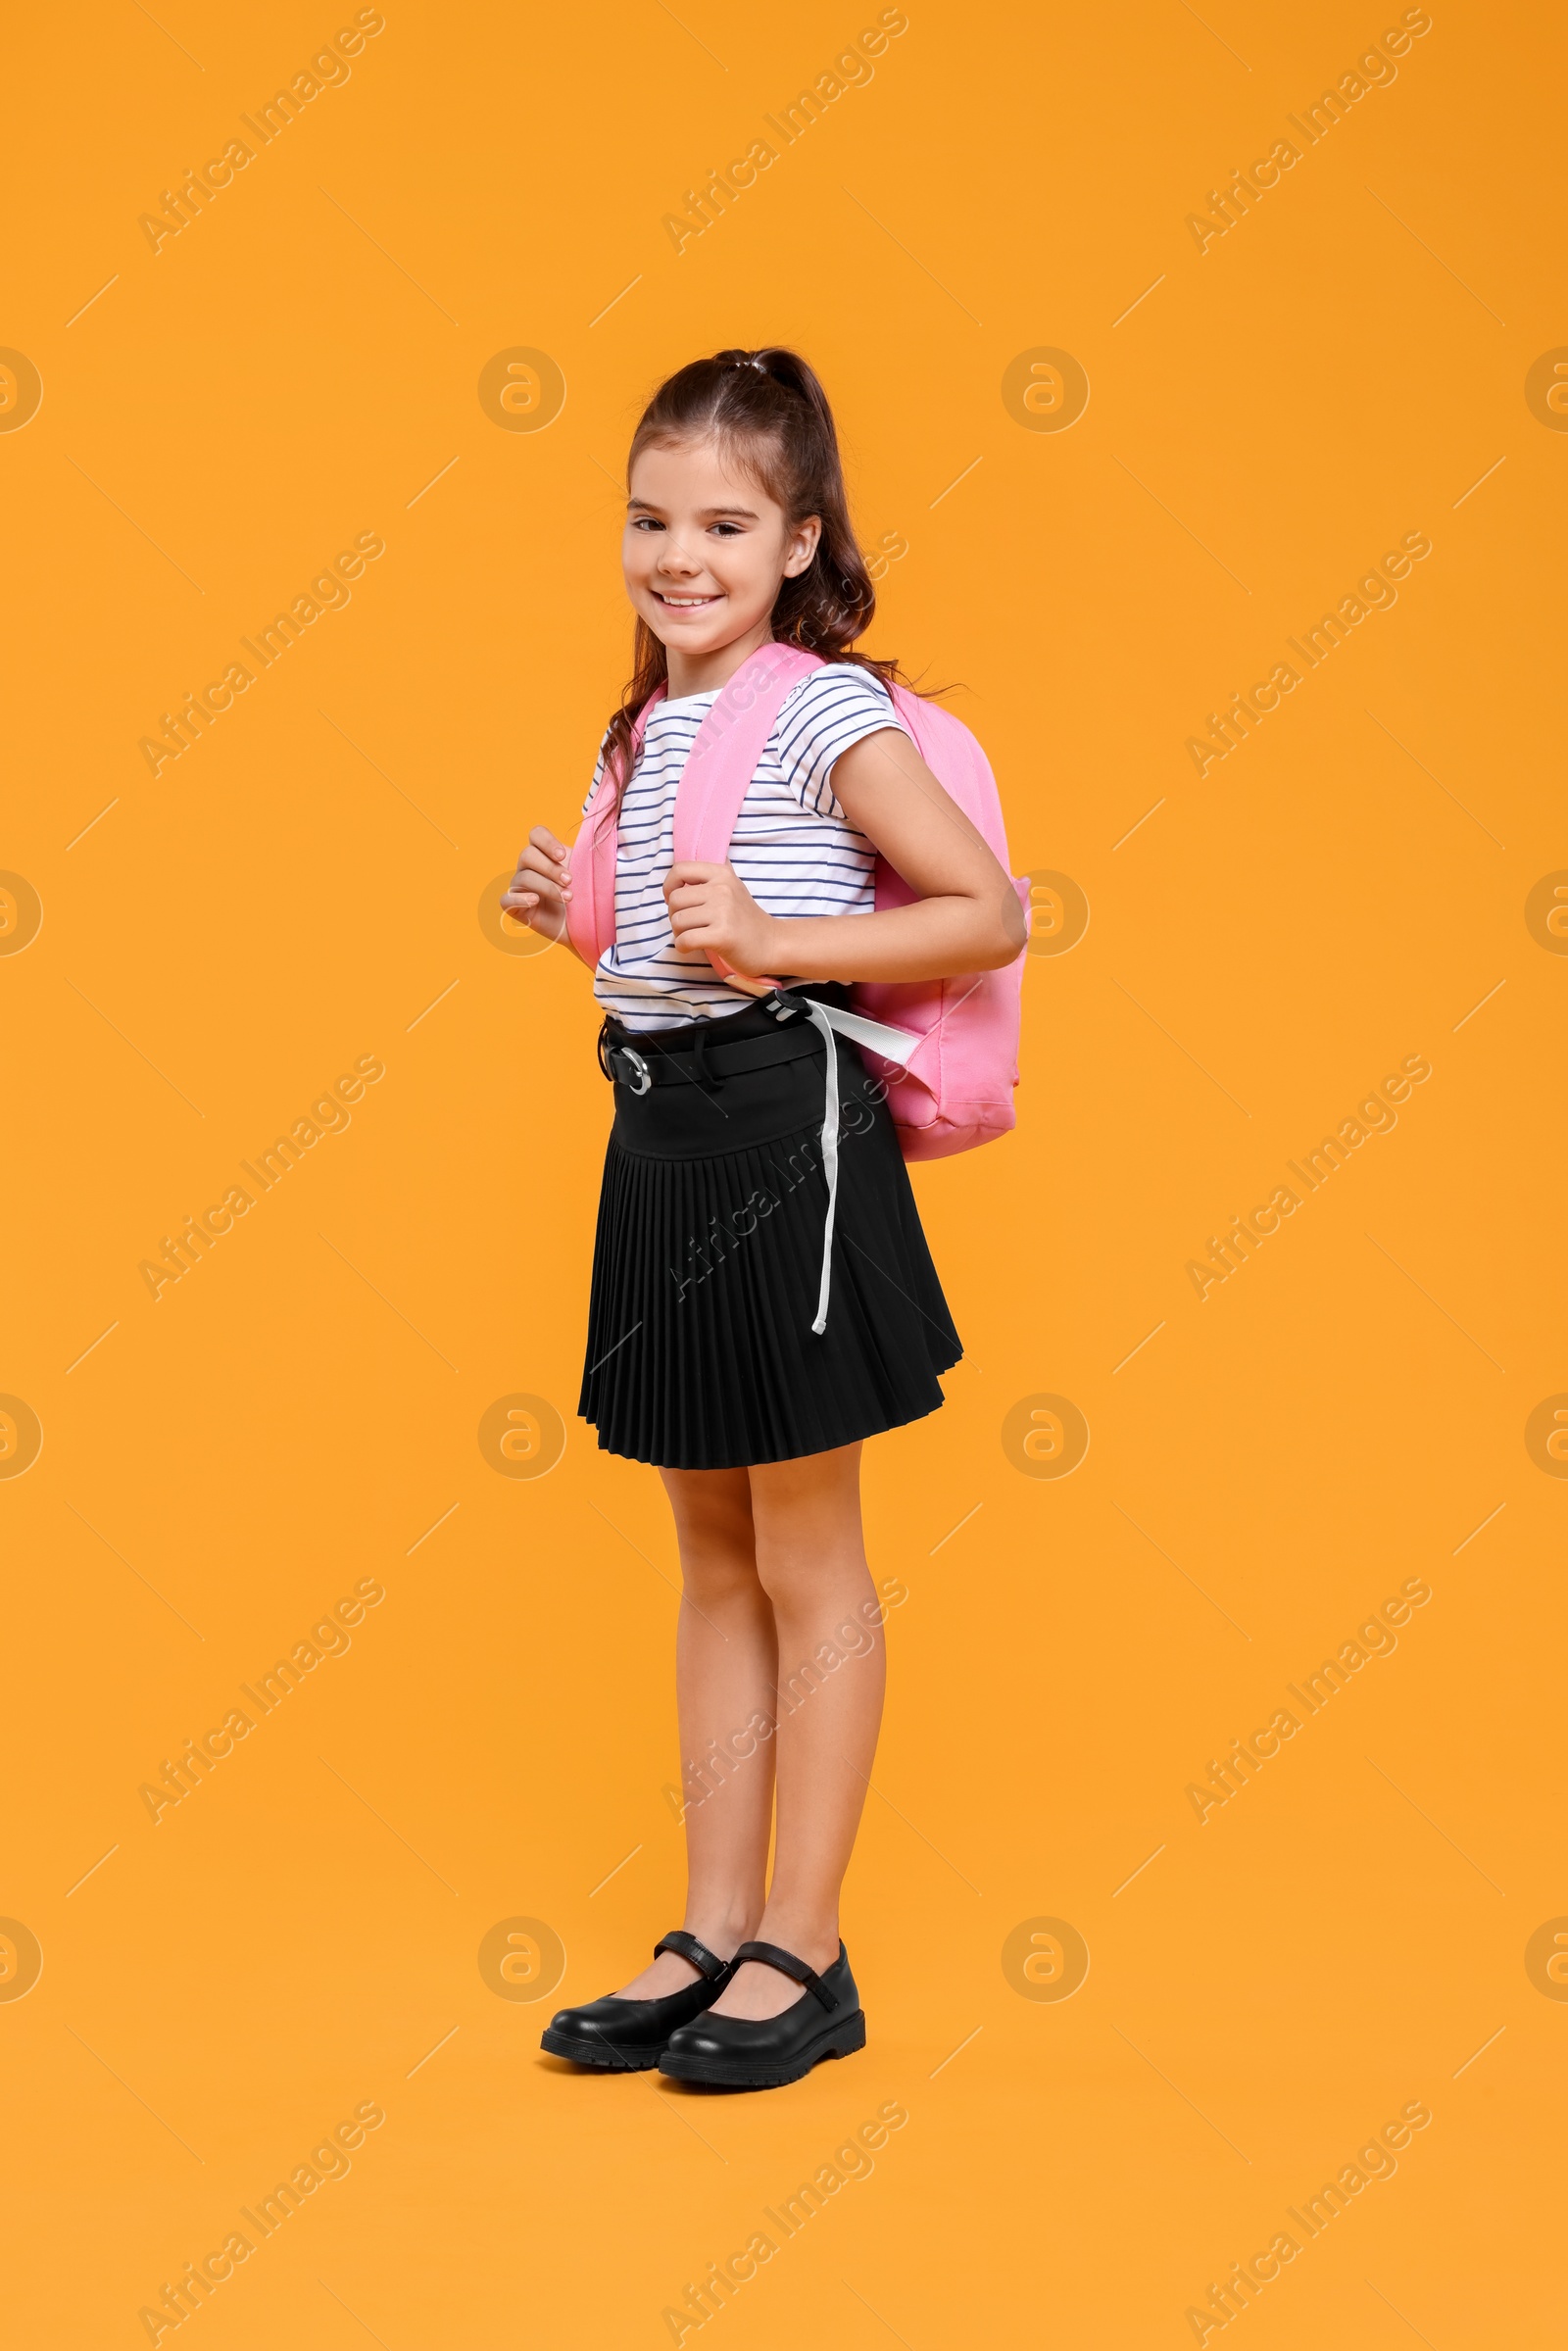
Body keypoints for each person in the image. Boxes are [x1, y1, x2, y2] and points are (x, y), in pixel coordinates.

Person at [504, 347, 1018, 2089]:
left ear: (798, 539)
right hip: (659, 1143)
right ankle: (714, 1925)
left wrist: (785, 947)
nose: (679, 555)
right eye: (650, 518)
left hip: (784, 1150)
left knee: (806, 1555)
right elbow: (659, 946)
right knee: (707, 1552)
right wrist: (564, 910)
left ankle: (808, 1946)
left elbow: (983, 914)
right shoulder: (640, 724)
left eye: (725, 521)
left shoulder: (821, 714)